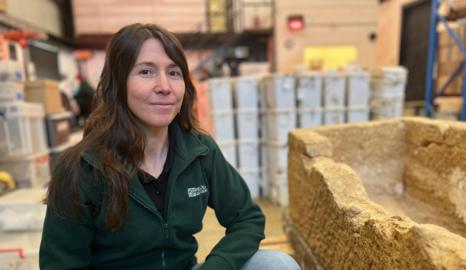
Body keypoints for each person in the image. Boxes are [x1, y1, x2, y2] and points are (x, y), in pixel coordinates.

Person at [40, 23, 300, 270]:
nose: (164, 87)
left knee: (277, 265)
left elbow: (247, 219)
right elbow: (61, 264)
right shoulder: (83, 167)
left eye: (174, 73)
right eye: (146, 71)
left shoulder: (199, 151)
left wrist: (217, 265)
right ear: (118, 84)